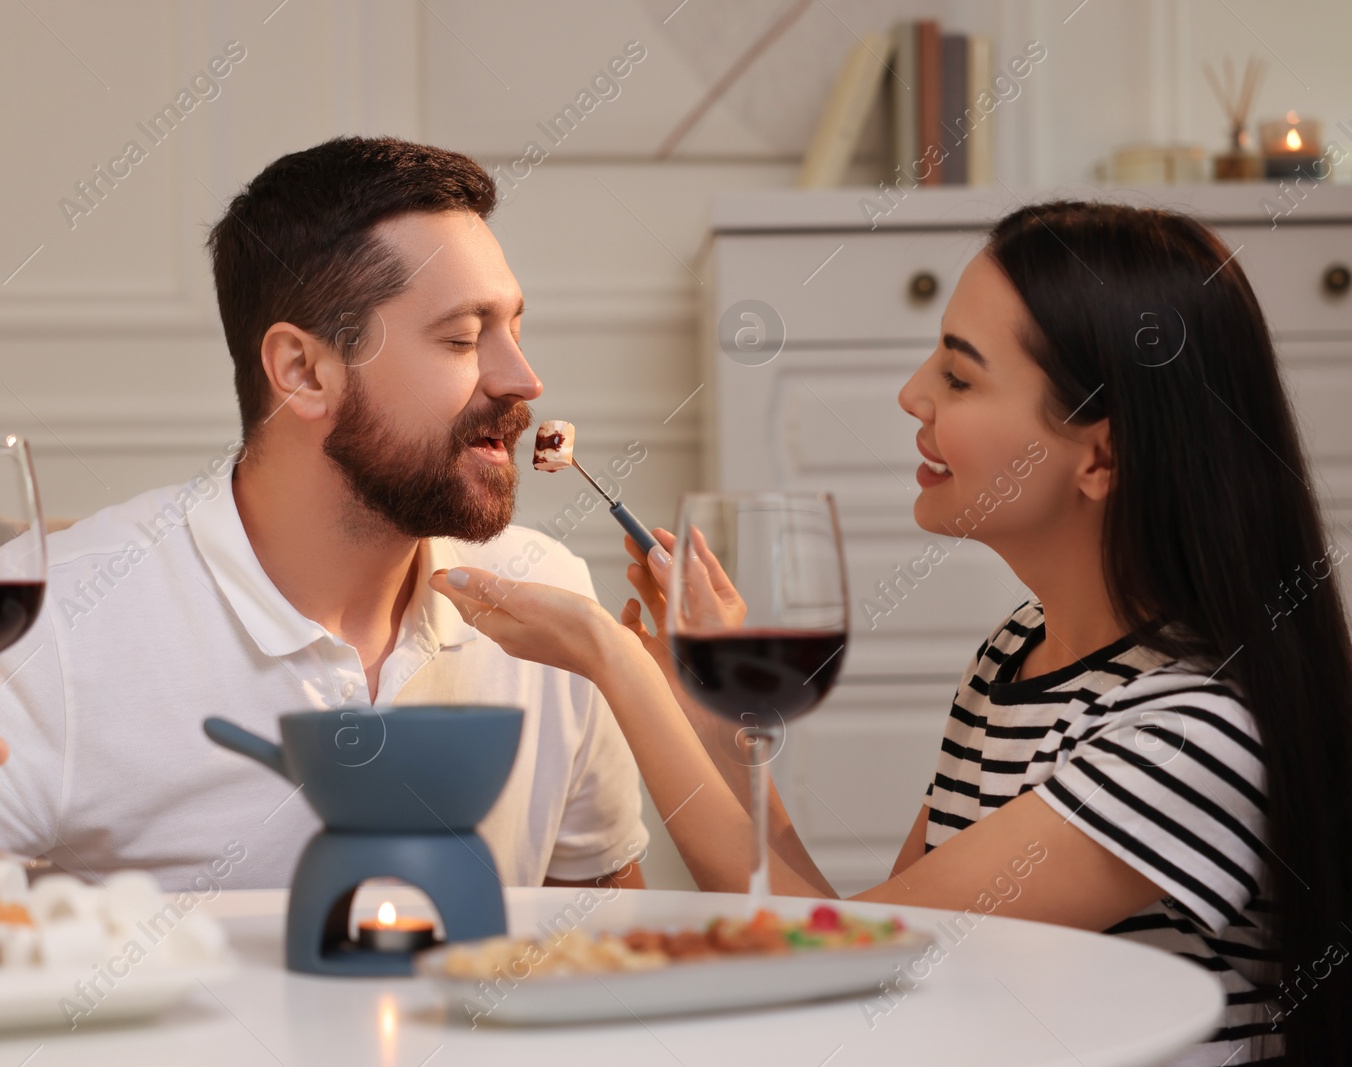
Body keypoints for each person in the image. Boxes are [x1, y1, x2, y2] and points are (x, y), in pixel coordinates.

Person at [430, 201, 1352, 1065]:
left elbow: (841, 960)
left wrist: (609, 660)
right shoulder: (1016, 656)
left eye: (958, 373)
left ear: (1100, 454)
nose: (915, 395)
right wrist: (709, 710)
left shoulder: (1192, 737)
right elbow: (852, 937)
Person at [0, 137, 648, 895]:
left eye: (514, 328)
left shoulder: (553, 607)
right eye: (462, 337)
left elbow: (606, 938)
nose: (521, 377)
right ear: (301, 371)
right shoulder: (51, 618)